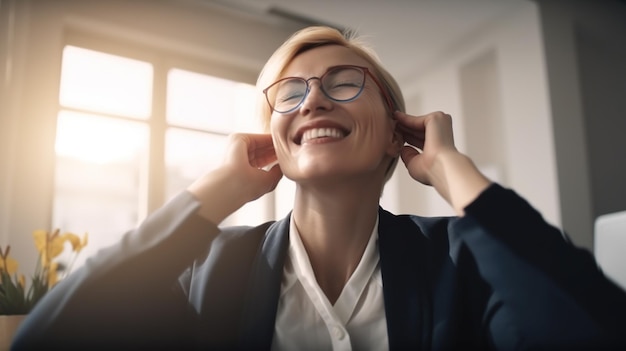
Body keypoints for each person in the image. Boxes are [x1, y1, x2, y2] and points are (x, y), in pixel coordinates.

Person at [11, 26, 626, 351]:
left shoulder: (463, 259)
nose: (315, 100)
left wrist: (452, 170)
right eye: (291, 92)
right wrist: (216, 192)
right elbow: (48, 339)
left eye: (344, 82)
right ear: (274, 137)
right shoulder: (209, 270)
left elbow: (594, 330)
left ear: (395, 132)